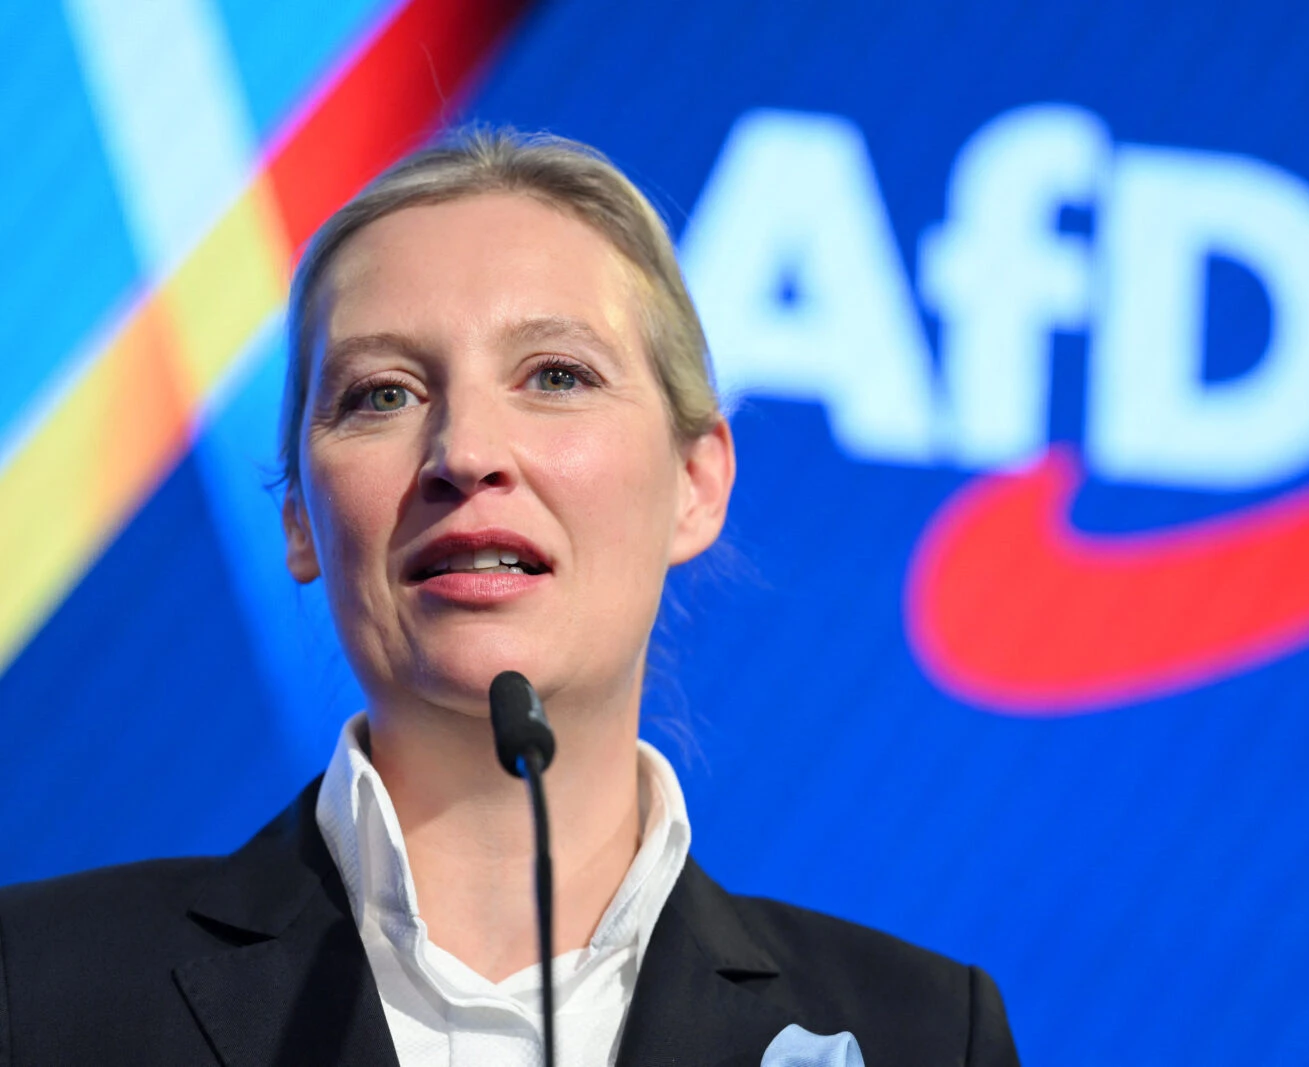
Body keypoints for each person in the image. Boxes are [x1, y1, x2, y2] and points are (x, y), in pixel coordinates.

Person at [0, 129, 1020, 1066]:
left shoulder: (919, 1032)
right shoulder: (39, 986)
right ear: (301, 520)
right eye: (382, 394)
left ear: (695, 482)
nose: (466, 453)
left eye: (557, 375)